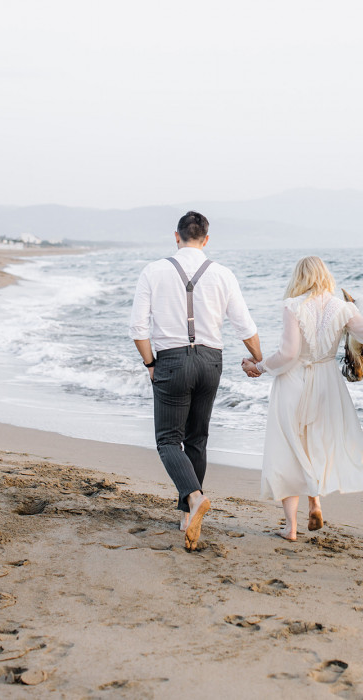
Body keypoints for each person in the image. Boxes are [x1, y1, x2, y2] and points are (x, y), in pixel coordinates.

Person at [130, 211, 261, 550]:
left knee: (168, 441)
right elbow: (245, 327)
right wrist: (258, 360)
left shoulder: (153, 271)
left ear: (176, 236)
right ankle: (188, 515)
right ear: (206, 239)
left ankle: (194, 497)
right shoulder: (223, 274)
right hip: (210, 362)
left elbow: (138, 329)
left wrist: (150, 364)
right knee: (197, 439)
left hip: (172, 361)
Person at [242, 256, 363, 541]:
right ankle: (315, 502)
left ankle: (290, 527)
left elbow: (289, 354)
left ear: (299, 277)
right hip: (328, 384)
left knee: (288, 448)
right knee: (317, 444)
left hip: (294, 382)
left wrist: (260, 366)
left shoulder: (293, 306)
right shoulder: (344, 308)